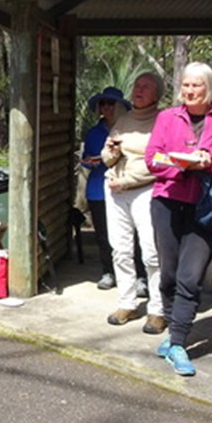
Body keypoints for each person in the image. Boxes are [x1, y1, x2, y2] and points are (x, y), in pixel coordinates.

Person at [145, 62, 212, 376]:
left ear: (210, 88)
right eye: (186, 85)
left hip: (205, 206)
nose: (189, 91)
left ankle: (177, 343)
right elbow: (153, 158)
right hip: (167, 201)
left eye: (196, 86)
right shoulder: (167, 117)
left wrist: (209, 160)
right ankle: (175, 332)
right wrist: (178, 163)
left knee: (191, 276)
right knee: (169, 274)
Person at [100, 73, 165, 334]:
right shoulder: (123, 120)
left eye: (145, 87)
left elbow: (162, 162)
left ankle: (158, 310)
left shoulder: (163, 121)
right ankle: (127, 302)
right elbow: (106, 157)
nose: (139, 90)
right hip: (115, 191)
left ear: (157, 93)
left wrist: (127, 182)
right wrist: (112, 152)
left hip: (145, 190)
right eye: (137, 86)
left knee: (151, 252)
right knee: (120, 249)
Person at [82, 86, 130, 290]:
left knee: (129, 234)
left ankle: (137, 277)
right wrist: (89, 162)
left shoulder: (131, 129)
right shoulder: (94, 133)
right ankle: (108, 272)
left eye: (111, 103)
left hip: (125, 187)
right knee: (102, 234)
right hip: (97, 189)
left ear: (121, 106)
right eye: (103, 103)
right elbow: (87, 159)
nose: (107, 108)